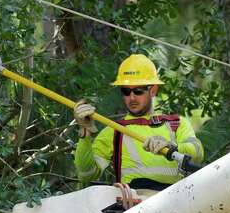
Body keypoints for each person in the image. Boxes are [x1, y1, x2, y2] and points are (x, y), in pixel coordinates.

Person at [73, 54, 204, 190]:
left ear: (153, 90)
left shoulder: (176, 123)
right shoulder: (114, 130)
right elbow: (86, 174)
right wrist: (85, 135)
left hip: (174, 201)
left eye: (138, 91)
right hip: (134, 204)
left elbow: (197, 154)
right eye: (126, 91)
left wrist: (172, 147)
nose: (132, 98)